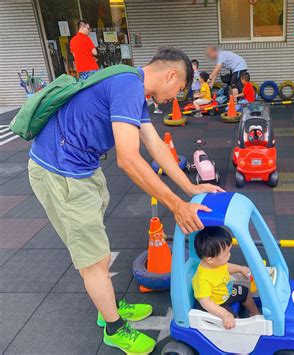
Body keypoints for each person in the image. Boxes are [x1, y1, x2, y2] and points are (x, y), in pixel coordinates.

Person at [28, 46, 223, 354]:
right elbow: (129, 160)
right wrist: (177, 205)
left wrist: (191, 188)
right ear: (171, 75)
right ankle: (114, 328)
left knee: (98, 250)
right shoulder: (127, 86)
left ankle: (106, 303)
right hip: (60, 172)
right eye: (179, 91)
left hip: (81, 168)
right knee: (92, 259)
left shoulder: (132, 84)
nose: (175, 99)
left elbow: (156, 145)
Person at [192, 227, 260, 329]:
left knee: (245, 292)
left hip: (225, 292)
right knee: (233, 321)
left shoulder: (216, 263)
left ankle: (255, 314)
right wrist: (225, 314)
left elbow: (226, 267)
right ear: (210, 260)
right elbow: (205, 302)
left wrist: (240, 269)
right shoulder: (203, 278)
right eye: (226, 254)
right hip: (216, 304)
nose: (229, 255)